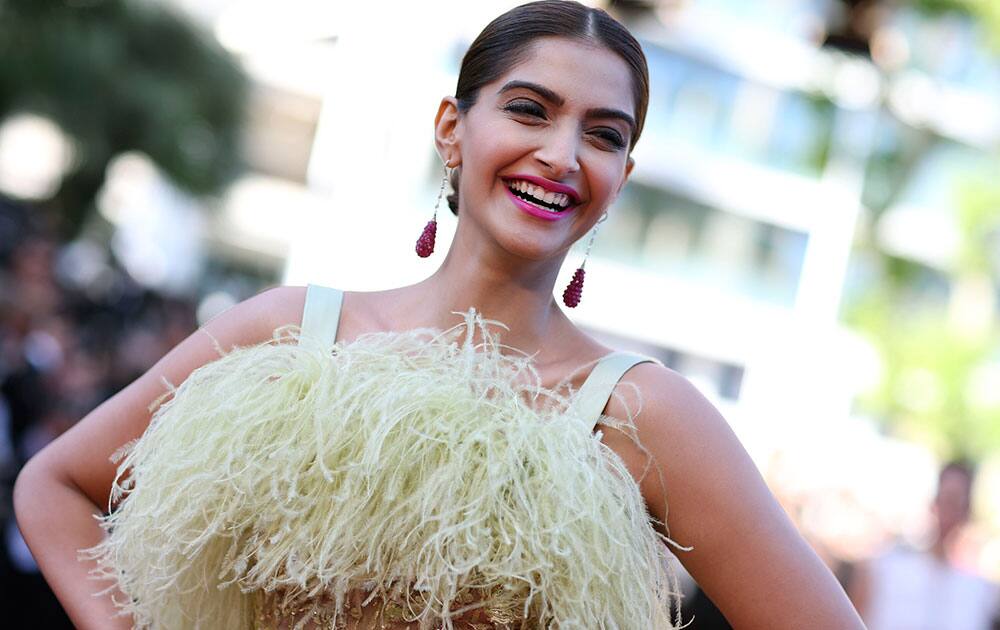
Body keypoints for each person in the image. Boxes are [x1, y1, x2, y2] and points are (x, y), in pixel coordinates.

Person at [13, 2, 865, 628]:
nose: (562, 155)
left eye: (603, 135)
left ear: (622, 178)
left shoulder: (639, 413)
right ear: (452, 129)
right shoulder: (287, 332)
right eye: (530, 110)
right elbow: (56, 485)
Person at [848, 461, 1000, 630]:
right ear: (934, 502)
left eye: (958, 504)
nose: (949, 513)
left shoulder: (978, 591)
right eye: (947, 500)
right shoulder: (884, 568)